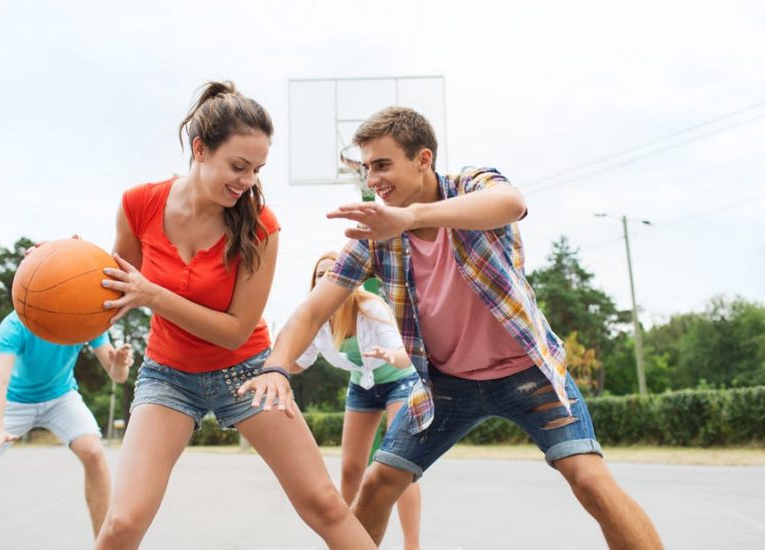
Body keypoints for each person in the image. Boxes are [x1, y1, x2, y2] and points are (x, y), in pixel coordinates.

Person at [241, 106, 663, 549]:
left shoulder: (470, 186)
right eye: (367, 168)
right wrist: (276, 367)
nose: (373, 180)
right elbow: (311, 311)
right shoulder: (375, 235)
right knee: (378, 484)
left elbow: (512, 203)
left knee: (589, 480)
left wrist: (413, 216)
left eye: (382, 165)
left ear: (423, 159)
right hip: (446, 385)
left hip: (527, 373)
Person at [94, 81, 376, 550]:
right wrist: (57, 265)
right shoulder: (138, 204)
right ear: (200, 149)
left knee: (324, 504)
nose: (246, 180)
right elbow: (111, 287)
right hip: (168, 376)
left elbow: (234, 331)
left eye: (256, 169)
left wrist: (154, 296)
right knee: (122, 522)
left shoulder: (260, 225)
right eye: (238, 166)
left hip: (247, 372)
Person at [0, 310, 133, 539]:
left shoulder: (85, 316)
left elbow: (117, 376)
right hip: (14, 402)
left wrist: (120, 364)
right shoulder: (15, 324)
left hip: (61, 397)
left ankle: (105, 545)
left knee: (94, 453)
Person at [294, 251, 421, 550]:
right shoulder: (316, 317)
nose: (326, 278)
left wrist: (392, 356)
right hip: (362, 387)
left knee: (399, 465)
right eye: (320, 274)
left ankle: (412, 546)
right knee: (351, 469)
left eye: (332, 272)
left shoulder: (371, 308)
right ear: (313, 283)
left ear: (347, 277)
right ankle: (353, 542)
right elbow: (300, 361)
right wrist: (265, 364)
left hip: (399, 381)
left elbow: (405, 357)